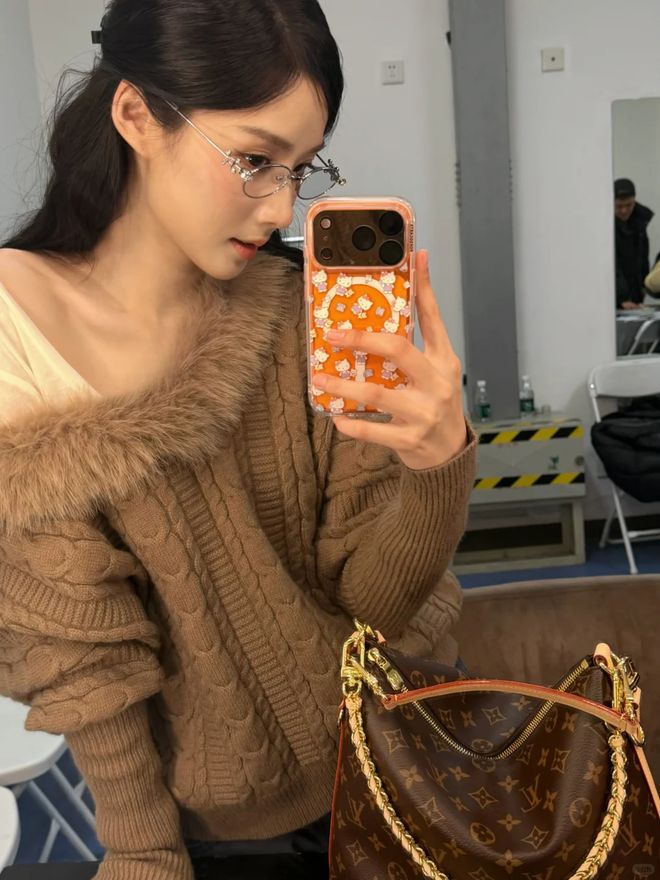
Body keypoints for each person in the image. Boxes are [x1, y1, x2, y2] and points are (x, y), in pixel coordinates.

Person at [0, 1, 476, 878]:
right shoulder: (16, 324)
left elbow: (375, 602)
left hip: (406, 753)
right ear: (136, 115)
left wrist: (438, 465)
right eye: (254, 160)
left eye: (302, 167)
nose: (282, 207)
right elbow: (84, 658)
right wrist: (143, 850)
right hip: (226, 831)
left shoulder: (296, 314)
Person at [614, 177, 655, 309]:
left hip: (635, 298)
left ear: (634, 201)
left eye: (629, 205)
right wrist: (622, 298)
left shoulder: (640, 221)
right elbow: (612, 265)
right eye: (619, 206)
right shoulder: (605, 226)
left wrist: (643, 287)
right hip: (613, 298)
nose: (624, 210)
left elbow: (642, 257)